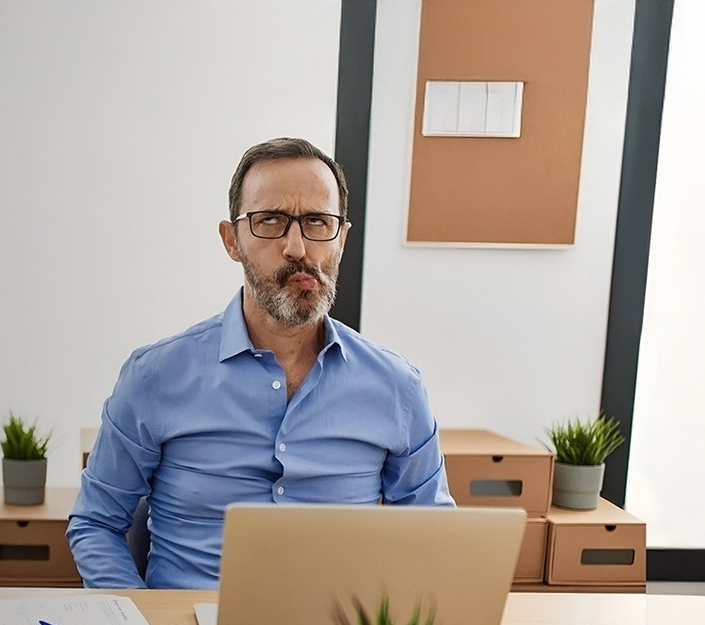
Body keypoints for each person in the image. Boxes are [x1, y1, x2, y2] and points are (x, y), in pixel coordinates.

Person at [67, 138, 455, 589]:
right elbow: (96, 523)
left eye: (317, 222)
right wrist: (139, 617)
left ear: (342, 239)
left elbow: (434, 540)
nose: (297, 247)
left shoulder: (397, 388)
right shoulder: (154, 377)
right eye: (270, 220)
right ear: (232, 240)